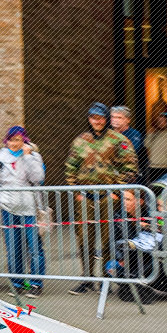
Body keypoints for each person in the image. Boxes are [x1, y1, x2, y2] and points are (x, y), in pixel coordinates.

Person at [64, 102, 138, 293]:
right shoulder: (81, 140)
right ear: (89, 119)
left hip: (108, 197)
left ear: (106, 119)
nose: (97, 121)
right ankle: (87, 278)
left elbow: (130, 167)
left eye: (100, 118)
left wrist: (116, 191)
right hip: (85, 197)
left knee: (107, 239)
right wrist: (76, 192)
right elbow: (71, 167)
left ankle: (106, 278)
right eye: (93, 118)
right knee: (84, 238)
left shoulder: (118, 140)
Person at [0, 126, 45, 295]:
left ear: (24, 141)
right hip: (8, 207)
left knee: (34, 247)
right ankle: (17, 282)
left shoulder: (33, 156)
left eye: (18, 140)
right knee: (13, 247)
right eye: (11, 140)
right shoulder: (0, 158)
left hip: (29, 208)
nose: (14, 143)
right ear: (6, 141)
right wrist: (0, 201)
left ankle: (36, 282)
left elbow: (38, 178)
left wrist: (28, 157)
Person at [110, 106, 143, 171]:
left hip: (128, 170)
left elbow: (128, 150)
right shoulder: (107, 132)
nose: (115, 120)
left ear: (128, 120)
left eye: (119, 117)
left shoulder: (135, 134)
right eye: (112, 117)